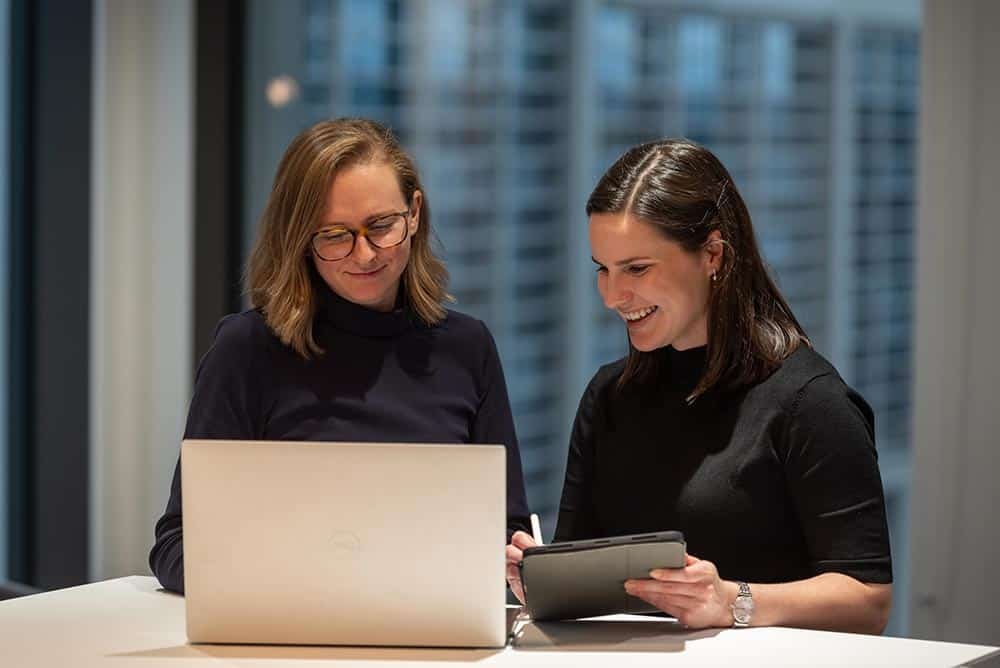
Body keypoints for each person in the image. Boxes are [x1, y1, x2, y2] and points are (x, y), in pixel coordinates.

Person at [506, 139, 893, 634]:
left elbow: (868, 599)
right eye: (603, 268)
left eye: (637, 268)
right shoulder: (608, 397)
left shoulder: (810, 401)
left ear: (712, 254)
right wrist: (545, 580)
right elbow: (587, 584)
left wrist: (732, 600)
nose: (612, 295)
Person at [150, 118, 530, 594]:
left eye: (381, 226)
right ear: (300, 239)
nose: (365, 254)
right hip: (289, 633)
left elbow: (508, 534)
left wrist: (516, 564)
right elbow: (177, 544)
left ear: (413, 212)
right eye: (334, 235)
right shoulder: (247, 350)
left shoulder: (468, 347)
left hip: (435, 632)